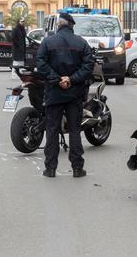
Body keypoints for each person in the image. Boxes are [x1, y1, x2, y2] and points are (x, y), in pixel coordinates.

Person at [35, 12, 95, 178]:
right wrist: (71, 79)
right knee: (75, 130)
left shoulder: (47, 42)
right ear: (71, 25)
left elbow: (40, 63)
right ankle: (77, 168)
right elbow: (88, 65)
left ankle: (50, 169)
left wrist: (56, 79)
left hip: (54, 93)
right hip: (74, 93)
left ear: (58, 25)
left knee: (52, 130)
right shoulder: (81, 43)